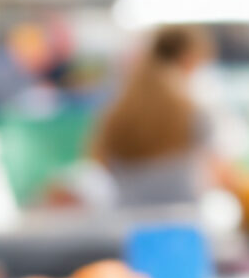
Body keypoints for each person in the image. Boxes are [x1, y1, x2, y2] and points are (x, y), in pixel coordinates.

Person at [89, 25, 234, 208]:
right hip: (182, 221)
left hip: (127, 221)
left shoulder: (117, 109)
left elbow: (98, 162)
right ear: (188, 59)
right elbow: (222, 172)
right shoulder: (194, 110)